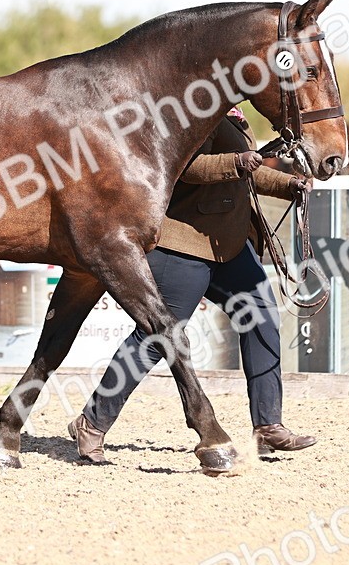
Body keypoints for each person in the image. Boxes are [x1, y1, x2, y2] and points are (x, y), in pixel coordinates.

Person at [68, 107, 317, 462]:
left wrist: (288, 185)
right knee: (155, 338)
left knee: (262, 316)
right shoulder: (187, 110)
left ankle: (267, 426)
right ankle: (91, 423)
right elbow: (188, 168)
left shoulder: (232, 113)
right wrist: (237, 161)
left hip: (229, 245)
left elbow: (247, 173)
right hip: (184, 244)